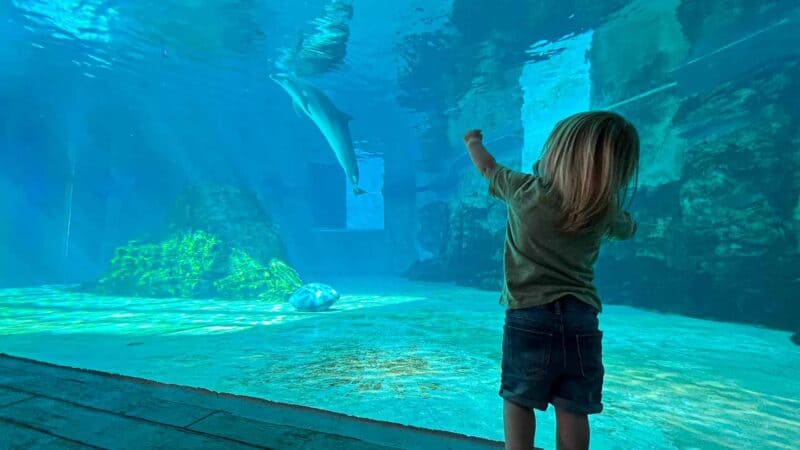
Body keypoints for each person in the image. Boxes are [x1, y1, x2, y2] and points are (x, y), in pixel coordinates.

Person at [463, 111, 640, 450]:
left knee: (518, 398)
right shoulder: (601, 210)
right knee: (573, 406)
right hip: (581, 320)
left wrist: (473, 141)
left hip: (528, 315)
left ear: (557, 156)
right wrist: (625, 220)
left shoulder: (523, 190)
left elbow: (487, 168)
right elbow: (627, 228)